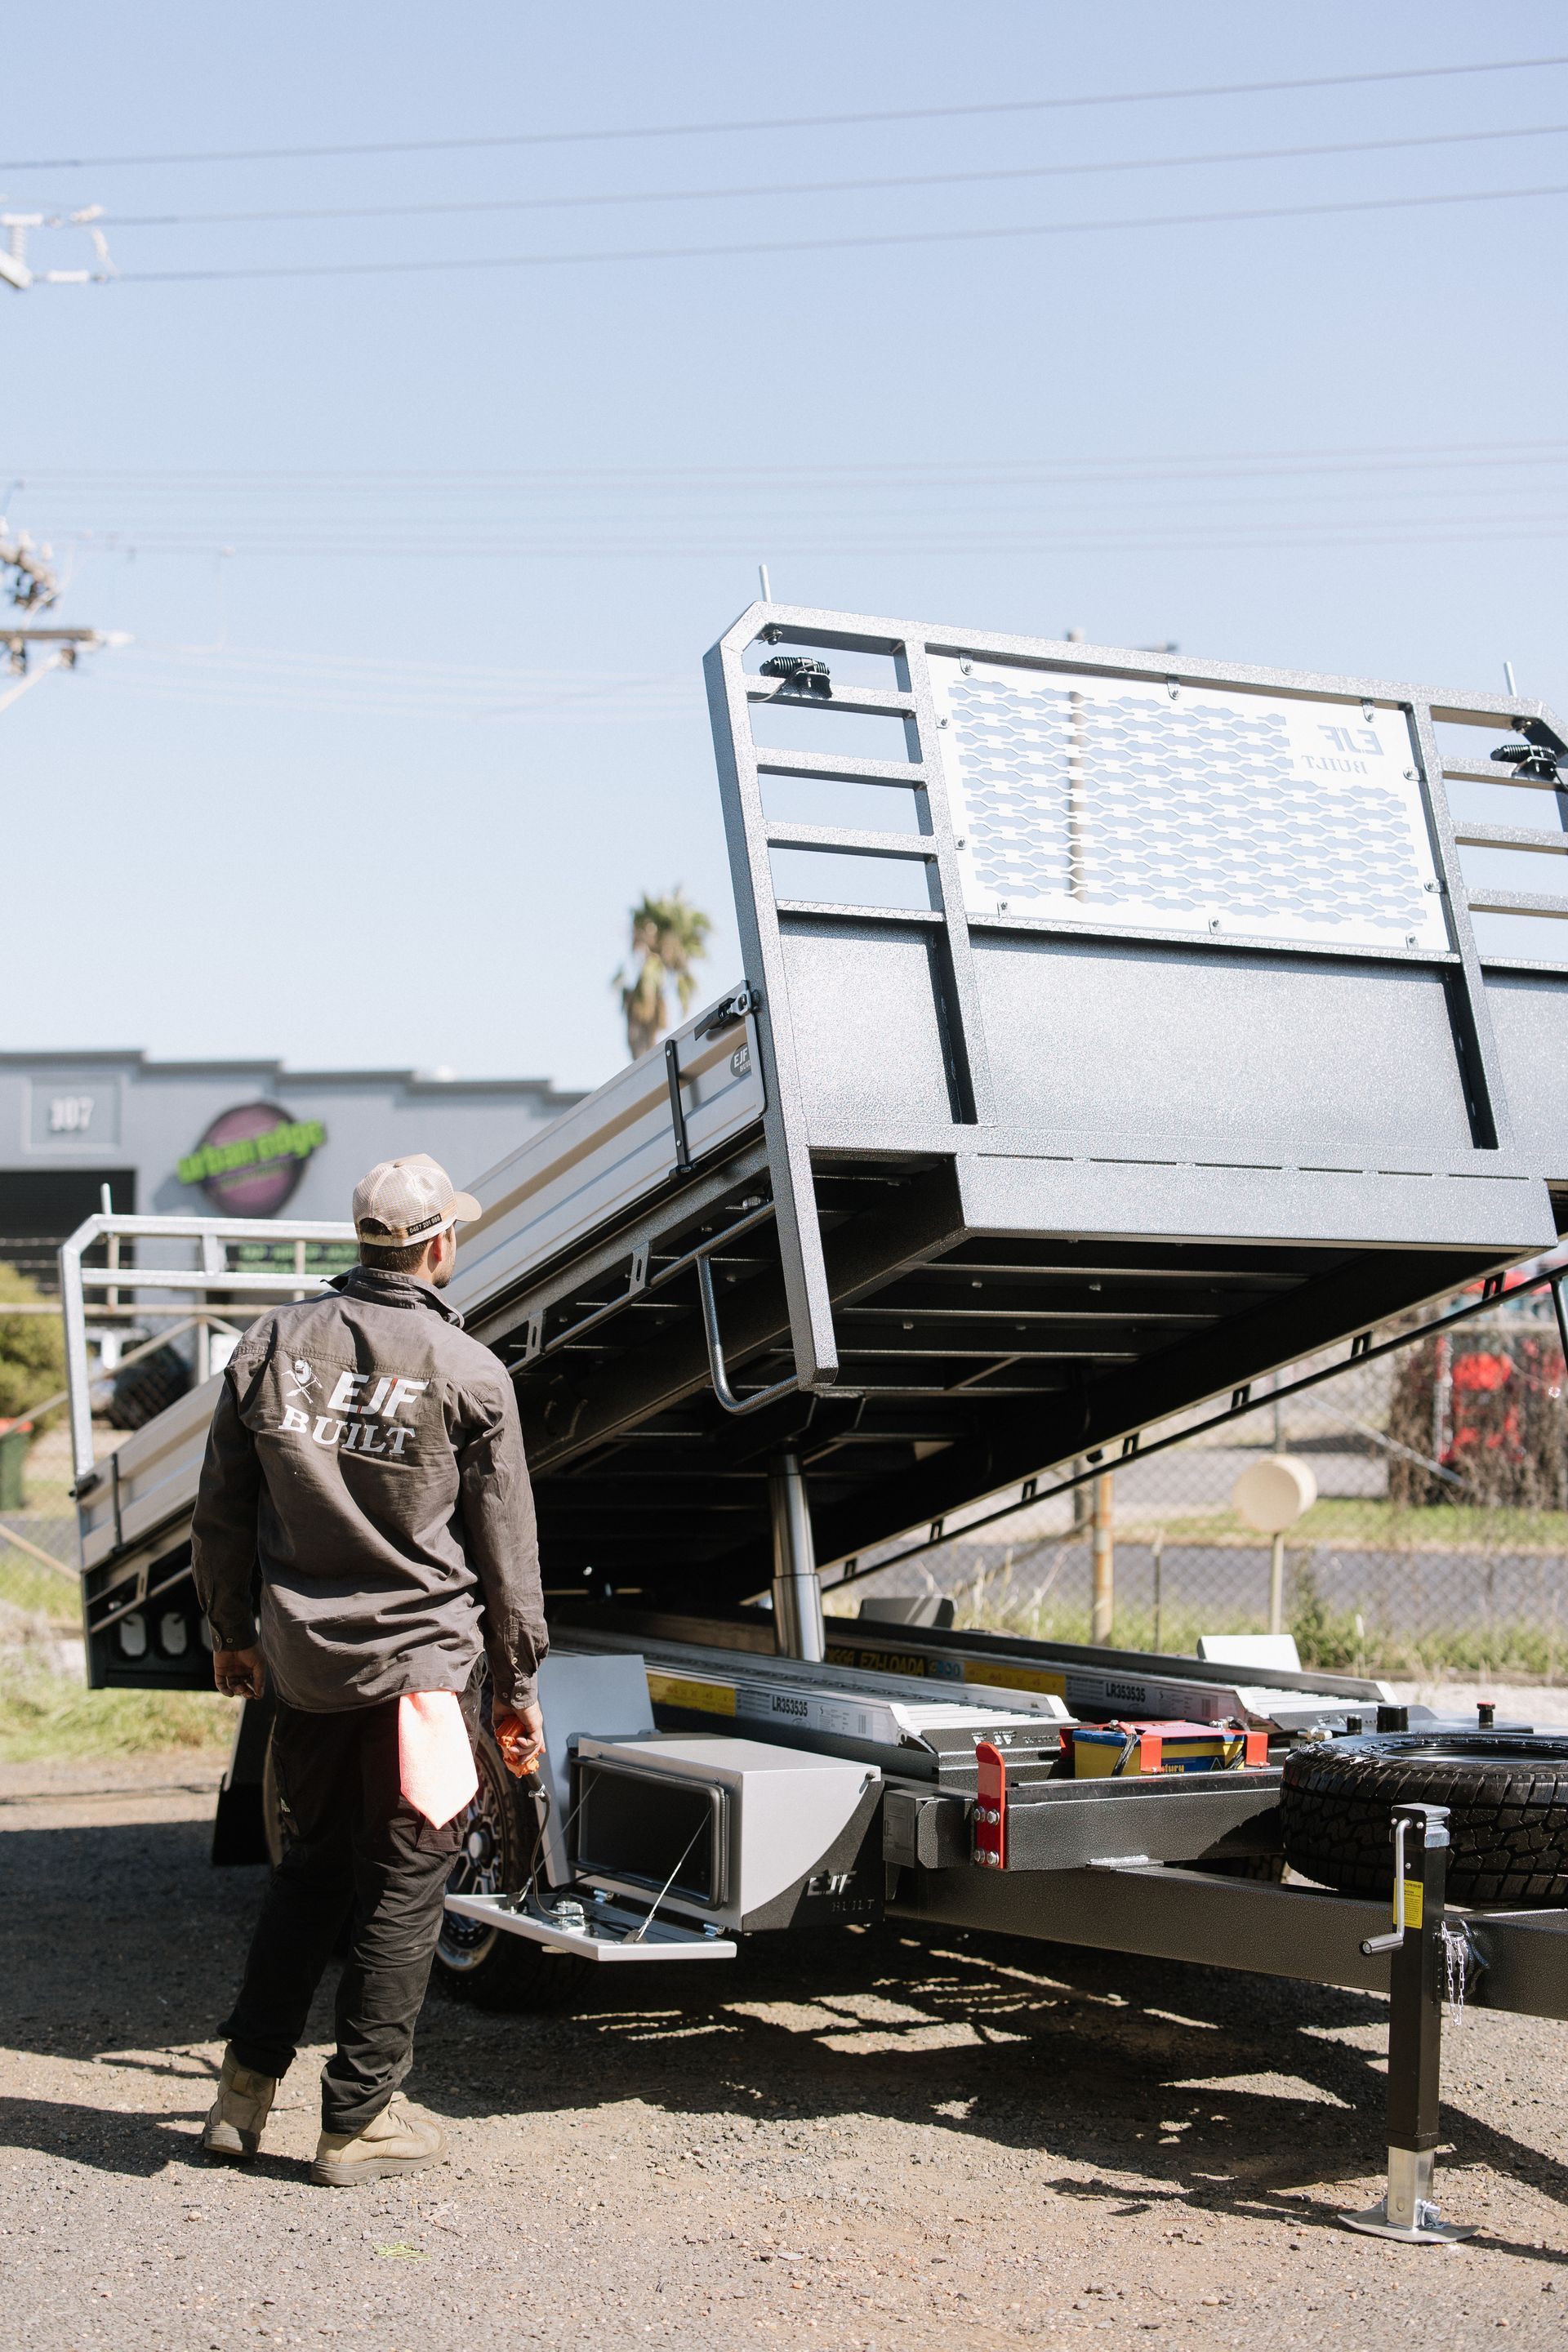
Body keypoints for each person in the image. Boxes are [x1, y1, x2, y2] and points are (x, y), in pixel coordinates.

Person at [191, 1153, 547, 2185]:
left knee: (310, 1872)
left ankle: (240, 2099)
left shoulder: (268, 1345)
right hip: (422, 1677)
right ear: (439, 1244)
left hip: (304, 1669)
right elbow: (506, 1551)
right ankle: (358, 2120)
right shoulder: (469, 1372)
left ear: (363, 1242)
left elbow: (220, 1512)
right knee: (404, 1883)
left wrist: (230, 1630)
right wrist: (517, 1687)